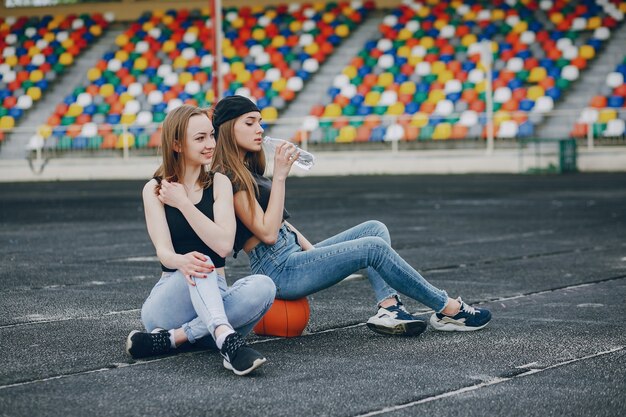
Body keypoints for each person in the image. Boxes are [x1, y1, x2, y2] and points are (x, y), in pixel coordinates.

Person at [210, 95, 491, 337]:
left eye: (259, 121)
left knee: (374, 229)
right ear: (227, 128)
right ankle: (447, 309)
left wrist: (318, 254)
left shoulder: (248, 170)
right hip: (279, 272)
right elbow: (268, 234)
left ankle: (389, 308)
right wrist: (281, 176)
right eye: (250, 122)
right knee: (373, 248)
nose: (259, 128)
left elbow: (284, 226)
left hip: (293, 258)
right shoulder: (229, 176)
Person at [125, 104, 276, 376]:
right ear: (177, 144)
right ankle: (226, 340)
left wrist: (184, 203)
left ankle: (174, 339)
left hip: (214, 294)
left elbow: (224, 245)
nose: (210, 144)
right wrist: (182, 261)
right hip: (169, 300)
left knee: (264, 286)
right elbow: (164, 253)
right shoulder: (154, 189)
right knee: (200, 260)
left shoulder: (219, 183)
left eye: (211, 136)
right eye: (200, 138)